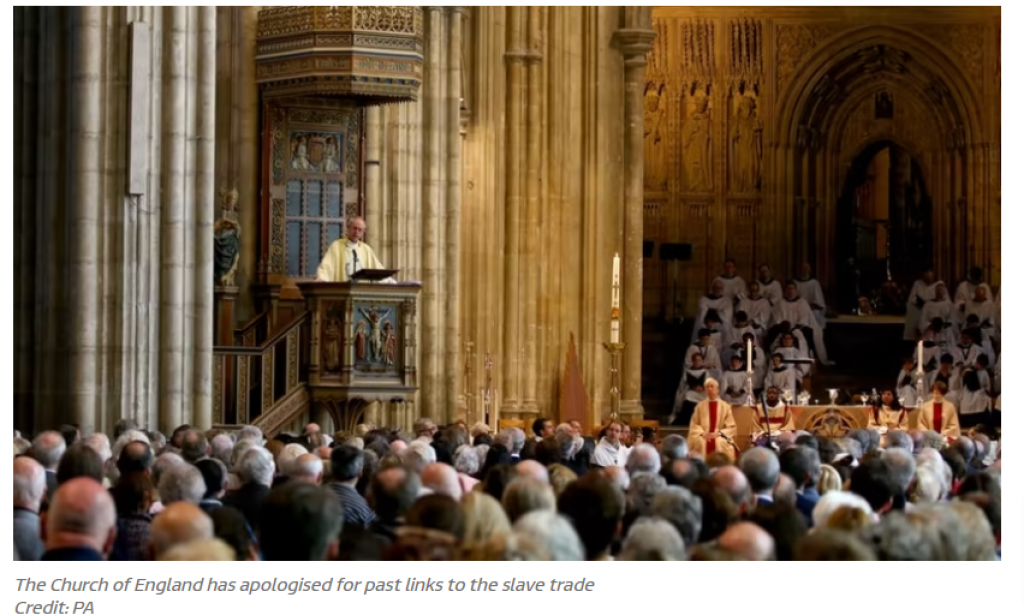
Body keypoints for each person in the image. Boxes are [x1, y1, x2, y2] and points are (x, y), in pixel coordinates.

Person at [315, 217, 394, 282]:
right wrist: (322, 278)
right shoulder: (336, 246)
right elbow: (327, 267)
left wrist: (389, 281)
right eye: (354, 228)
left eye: (360, 230)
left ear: (363, 232)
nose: (357, 232)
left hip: (362, 292)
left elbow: (377, 268)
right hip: (343, 290)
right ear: (348, 228)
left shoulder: (366, 249)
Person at [772, 281, 830, 365]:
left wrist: (794, 328)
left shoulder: (802, 302)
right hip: (783, 328)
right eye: (788, 289)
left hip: (798, 328)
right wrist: (785, 327)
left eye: (792, 289)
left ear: (796, 290)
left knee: (808, 333)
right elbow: (777, 317)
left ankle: (807, 360)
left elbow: (804, 318)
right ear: (785, 291)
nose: (790, 291)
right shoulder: (780, 303)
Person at [687, 378, 738, 461]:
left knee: (720, 443)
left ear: (717, 390)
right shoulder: (700, 406)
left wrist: (718, 433)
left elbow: (731, 427)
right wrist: (702, 433)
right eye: (707, 387)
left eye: (712, 386)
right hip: (703, 435)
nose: (709, 389)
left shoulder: (725, 406)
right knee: (701, 443)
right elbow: (694, 424)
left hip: (719, 435)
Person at [670, 352, 710, 426]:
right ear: (693, 361)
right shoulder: (687, 372)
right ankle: (688, 421)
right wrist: (693, 387)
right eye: (696, 360)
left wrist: (703, 388)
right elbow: (682, 385)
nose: (697, 362)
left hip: (702, 392)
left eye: (699, 360)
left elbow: (708, 383)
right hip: (691, 391)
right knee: (687, 396)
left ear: (702, 361)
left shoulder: (705, 372)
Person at [905, 269, 939, 341]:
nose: (927, 275)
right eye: (926, 273)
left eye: (930, 273)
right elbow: (912, 299)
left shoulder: (938, 285)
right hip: (917, 313)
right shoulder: (917, 284)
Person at [794, 263, 827, 329]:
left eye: (806, 269)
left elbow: (818, 300)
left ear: (809, 270)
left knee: (816, 314)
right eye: (802, 269)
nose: (804, 271)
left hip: (812, 308)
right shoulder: (795, 282)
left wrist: (811, 306)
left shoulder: (814, 283)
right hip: (798, 307)